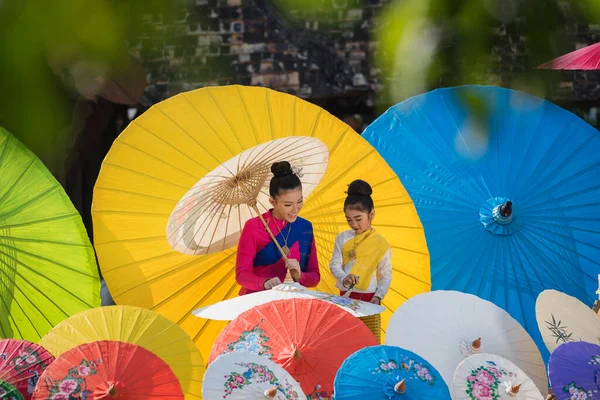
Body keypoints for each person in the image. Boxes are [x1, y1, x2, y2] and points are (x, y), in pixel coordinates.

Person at [235, 161, 320, 295]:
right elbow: (242, 274)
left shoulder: (305, 227)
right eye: (287, 205)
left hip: (291, 301)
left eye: (299, 201)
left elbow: (314, 277)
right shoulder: (253, 226)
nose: (295, 210)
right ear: (272, 202)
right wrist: (264, 282)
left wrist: (300, 276)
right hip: (257, 299)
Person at [329, 179, 392, 342]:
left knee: (370, 342)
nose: (354, 224)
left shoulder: (381, 244)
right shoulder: (343, 238)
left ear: (371, 214)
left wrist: (378, 296)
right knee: (345, 342)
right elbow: (335, 264)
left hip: (370, 300)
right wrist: (344, 277)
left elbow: (385, 275)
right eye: (349, 219)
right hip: (346, 297)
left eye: (358, 218)